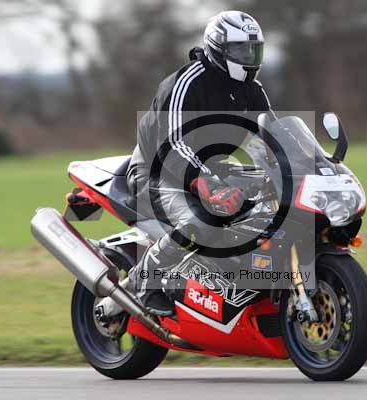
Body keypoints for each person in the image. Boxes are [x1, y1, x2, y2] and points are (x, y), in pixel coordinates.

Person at [103, 11, 272, 317]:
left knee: (268, 204)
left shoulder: (252, 91)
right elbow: (172, 144)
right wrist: (204, 183)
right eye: (240, 50)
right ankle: (147, 284)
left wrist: (301, 165)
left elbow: (270, 136)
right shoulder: (186, 84)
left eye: (253, 50)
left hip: (211, 169)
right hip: (157, 171)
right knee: (201, 221)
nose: (248, 58)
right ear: (218, 48)